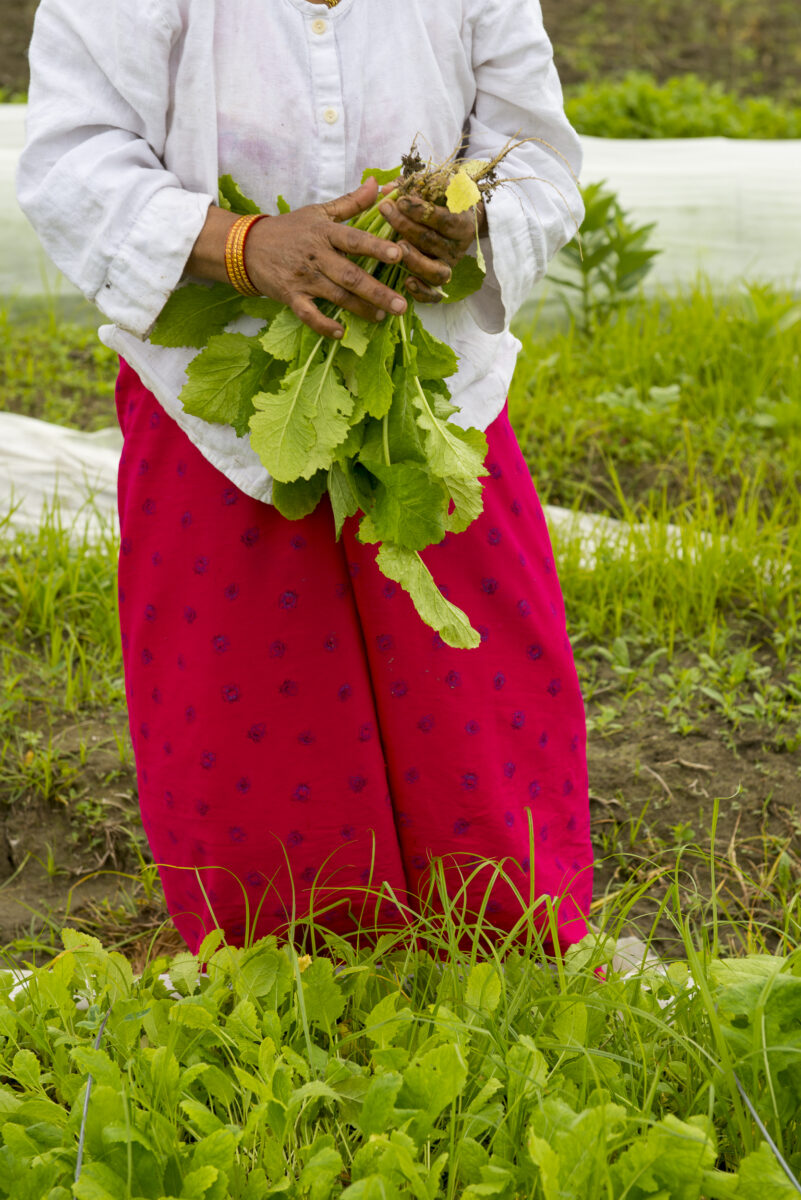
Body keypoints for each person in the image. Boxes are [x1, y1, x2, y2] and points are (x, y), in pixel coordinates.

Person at [18, 0, 593, 957]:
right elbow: (75, 160)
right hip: (219, 411)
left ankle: (505, 951)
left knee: (474, 684)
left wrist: (460, 214)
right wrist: (246, 246)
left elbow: (531, 152)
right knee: (246, 693)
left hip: (429, 386)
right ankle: (286, 971)